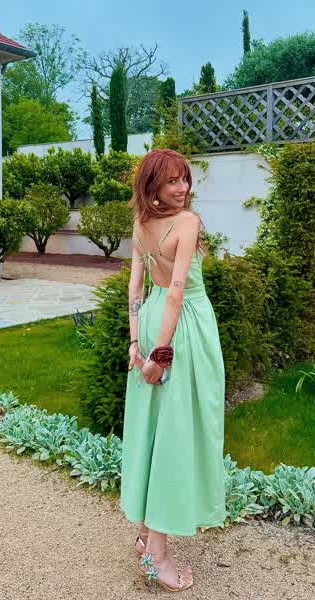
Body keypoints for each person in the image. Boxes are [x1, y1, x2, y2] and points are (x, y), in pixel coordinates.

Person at [120, 148, 226, 592]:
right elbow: (177, 294)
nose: (182, 188)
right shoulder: (188, 222)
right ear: (153, 186)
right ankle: (158, 557)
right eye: (171, 181)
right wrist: (159, 355)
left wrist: (136, 342)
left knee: (151, 428)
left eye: (184, 179)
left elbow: (136, 287)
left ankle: (147, 534)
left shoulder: (141, 223)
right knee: (176, 433)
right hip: (182, 328)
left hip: (151, 321)